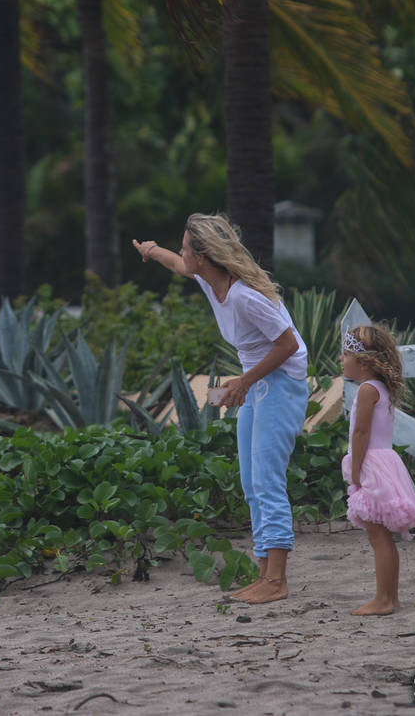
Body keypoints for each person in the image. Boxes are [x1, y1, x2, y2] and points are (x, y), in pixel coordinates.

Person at [132, 213, 309, 604]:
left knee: (267, 480)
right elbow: (177, 265)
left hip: (282, 385)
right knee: (250, 482)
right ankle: (264, 574)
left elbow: (288, 346)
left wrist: (244, 381)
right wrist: (151, 251)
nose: (182, 254)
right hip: (259, 382)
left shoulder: (245, 297)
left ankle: (277, 580)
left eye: (185, 247)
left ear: (205, 256)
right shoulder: (212, 284)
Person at [340, 324, 415, 615]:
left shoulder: (367, 390)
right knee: (382, 537)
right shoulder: (379, 388)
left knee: (378, 537)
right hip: (385, 461)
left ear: (363, 362)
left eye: (345, 354)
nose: (341, 359)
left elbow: (361, 433)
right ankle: (391, 597)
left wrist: (356, 471)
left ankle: (383, 599)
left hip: (372, 464)